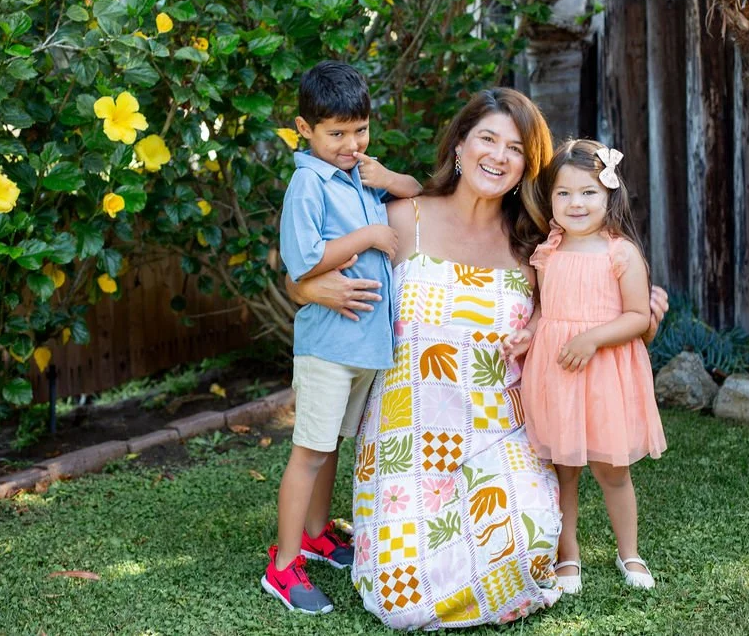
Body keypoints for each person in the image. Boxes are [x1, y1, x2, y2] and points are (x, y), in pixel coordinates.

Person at [291, 89, 669, 629]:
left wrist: (646, 315)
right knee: (402, 604)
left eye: (514, 148)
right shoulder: (400, 218)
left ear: (527, 165)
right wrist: (309, 291)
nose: (497, 156)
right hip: (407, 440)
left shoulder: (538, 242)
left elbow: (592, 318)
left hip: (501, 431)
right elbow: (298, 264)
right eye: (487, 139)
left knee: (531, 542)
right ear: (461, 145)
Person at [264, 60, 422, 615]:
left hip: (361, 345)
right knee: (308, 453)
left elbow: (417, 190)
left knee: (331, 445)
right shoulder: (308, 182)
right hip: (329, 346)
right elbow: (303, 260)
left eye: (360, 130)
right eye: (337, 133)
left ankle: (316, 533)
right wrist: (372, 234)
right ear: (305, 129)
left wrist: (383, 178)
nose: (351, 143)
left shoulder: (356, 171)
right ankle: (283, 568)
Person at [504, 139, 667, 593]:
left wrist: (592, 338)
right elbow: (544, 309)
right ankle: (568, 554)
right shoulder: (547, 251)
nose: (576, 203)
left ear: (610, 195)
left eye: (589, 192)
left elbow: (637, 316)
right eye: (564, 193)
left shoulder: (621, 252)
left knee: (612, 469)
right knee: (562, 469)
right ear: (549, 198)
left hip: (604, 375)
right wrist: (528, 335)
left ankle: (629, 552)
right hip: (556, 371)